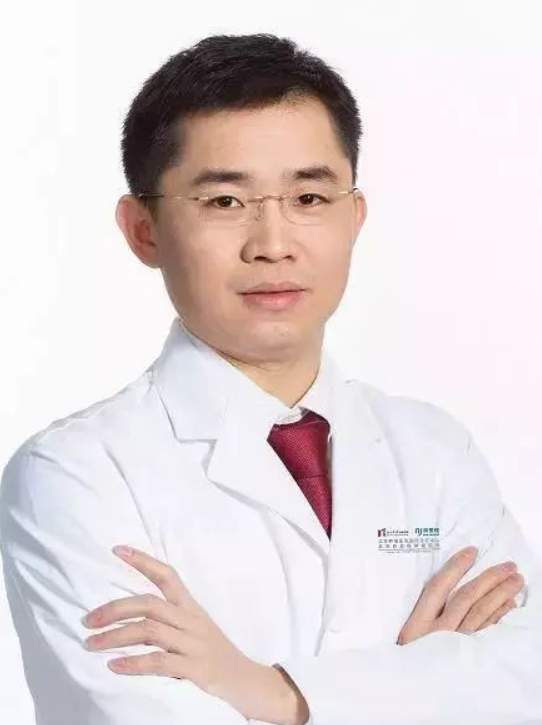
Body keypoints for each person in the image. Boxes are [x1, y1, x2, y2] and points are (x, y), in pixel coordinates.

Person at [1, 32, 541, 725]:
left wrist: (278, 692)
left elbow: (527, 681)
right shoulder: (76, 475)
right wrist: (426, 681)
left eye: (309, 197)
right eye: (224, 203)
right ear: (144, 229)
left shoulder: (435, 452)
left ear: (355, 216)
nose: (273, 244)